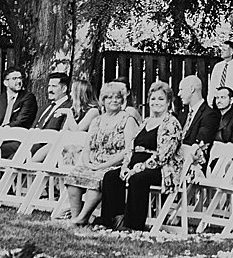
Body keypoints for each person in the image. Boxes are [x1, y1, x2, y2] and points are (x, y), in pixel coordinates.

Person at [99, 80, 183, 231]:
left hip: (160, 169)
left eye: (161, 99)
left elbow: (163, 156)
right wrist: (125, 166)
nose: (156, 102)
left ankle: (133, 225)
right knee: (111, 176)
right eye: (153, 98)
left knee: (138, 179)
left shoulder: (171, 123)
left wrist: (138, 168)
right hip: (135, 165)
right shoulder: (145, 122)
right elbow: (131, 148)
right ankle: (113, 220)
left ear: (169, 102)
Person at [63, 81, 138, 225]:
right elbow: (87, 147)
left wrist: (103, 165)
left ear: (122, 100)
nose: (113, 100)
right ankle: (75, 216)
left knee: (96, 180)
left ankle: (82, 218)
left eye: (117, 97)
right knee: (74, 176)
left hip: (115, 164)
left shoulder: (127, 120)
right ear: (103, 100)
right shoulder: (97, 120)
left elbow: (128, 150)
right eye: (109, 97)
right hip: (94, 162)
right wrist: (87, 163)